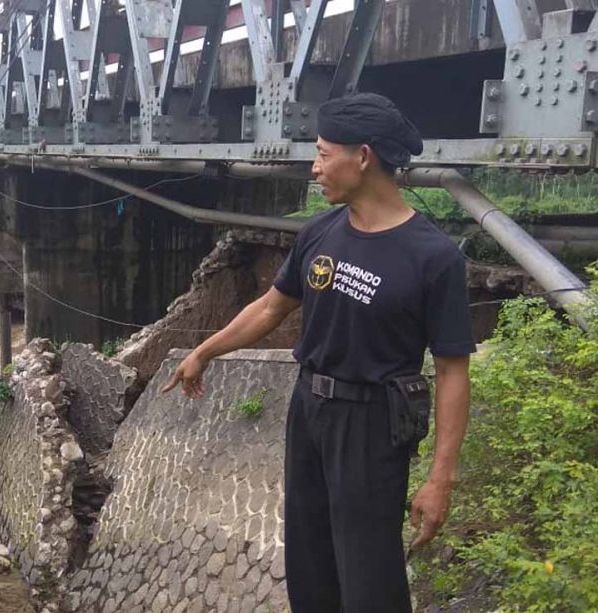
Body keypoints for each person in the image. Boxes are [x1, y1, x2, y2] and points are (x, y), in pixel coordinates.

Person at [160, 93, 475, 613]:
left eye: (325, 153)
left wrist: (441, 478)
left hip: (372, 425)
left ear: (364, 157)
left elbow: (451, 372)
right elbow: (269, 309)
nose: (315, 166)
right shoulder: (320, 233)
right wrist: (204, 351)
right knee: (310, 565)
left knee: (369, 576)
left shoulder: (432, 257)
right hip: (309, 410)